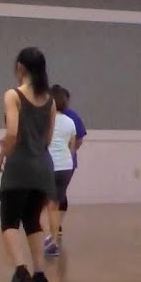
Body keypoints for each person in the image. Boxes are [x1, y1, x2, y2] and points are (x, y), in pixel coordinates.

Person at [0, 47, 58, 282]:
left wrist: (2, 156)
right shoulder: (50, 100)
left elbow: (12, 132)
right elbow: (48, 137)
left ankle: (22, 272)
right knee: (32, 220)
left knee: (9, 220)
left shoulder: (13, 95)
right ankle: (40, 274)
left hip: (19, 165)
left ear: (20, 67)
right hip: (42, 166)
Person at [48, 84, 86, 247]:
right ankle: (55, 229)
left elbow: (78, 140)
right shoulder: (71, 119)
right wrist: (69, 154)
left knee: (51, 200)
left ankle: (53, 232)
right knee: (58, 197)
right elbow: (77, 141)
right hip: (66, 163)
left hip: (54, 163)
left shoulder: (64, 117)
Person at [42, 86, 78, 258]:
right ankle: (54, 240)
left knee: (44, 205)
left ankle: (49, 239)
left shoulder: (45, 120)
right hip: (66, 166)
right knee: (55, 204)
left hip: (48, 165)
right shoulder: (70, 122)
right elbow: (72, 148)